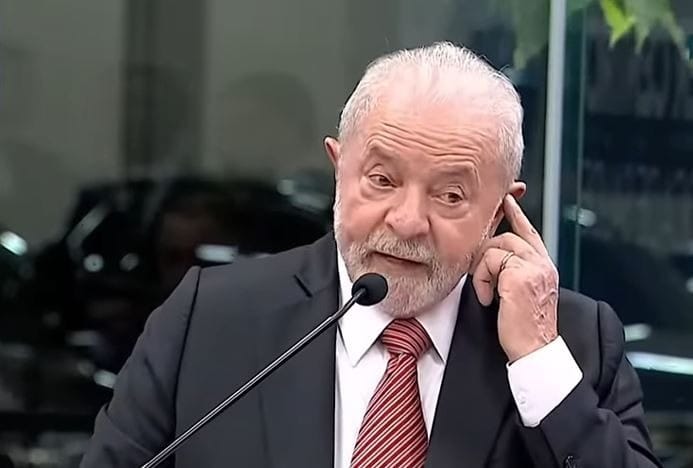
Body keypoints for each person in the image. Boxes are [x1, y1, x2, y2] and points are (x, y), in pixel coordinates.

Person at [81, 42, 660, 467]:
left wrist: (537, 361)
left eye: (450, 195)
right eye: (381, 180)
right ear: (339, 169)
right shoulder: (210, 320)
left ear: (499, 211)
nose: (407, 221)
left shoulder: (572, 343)